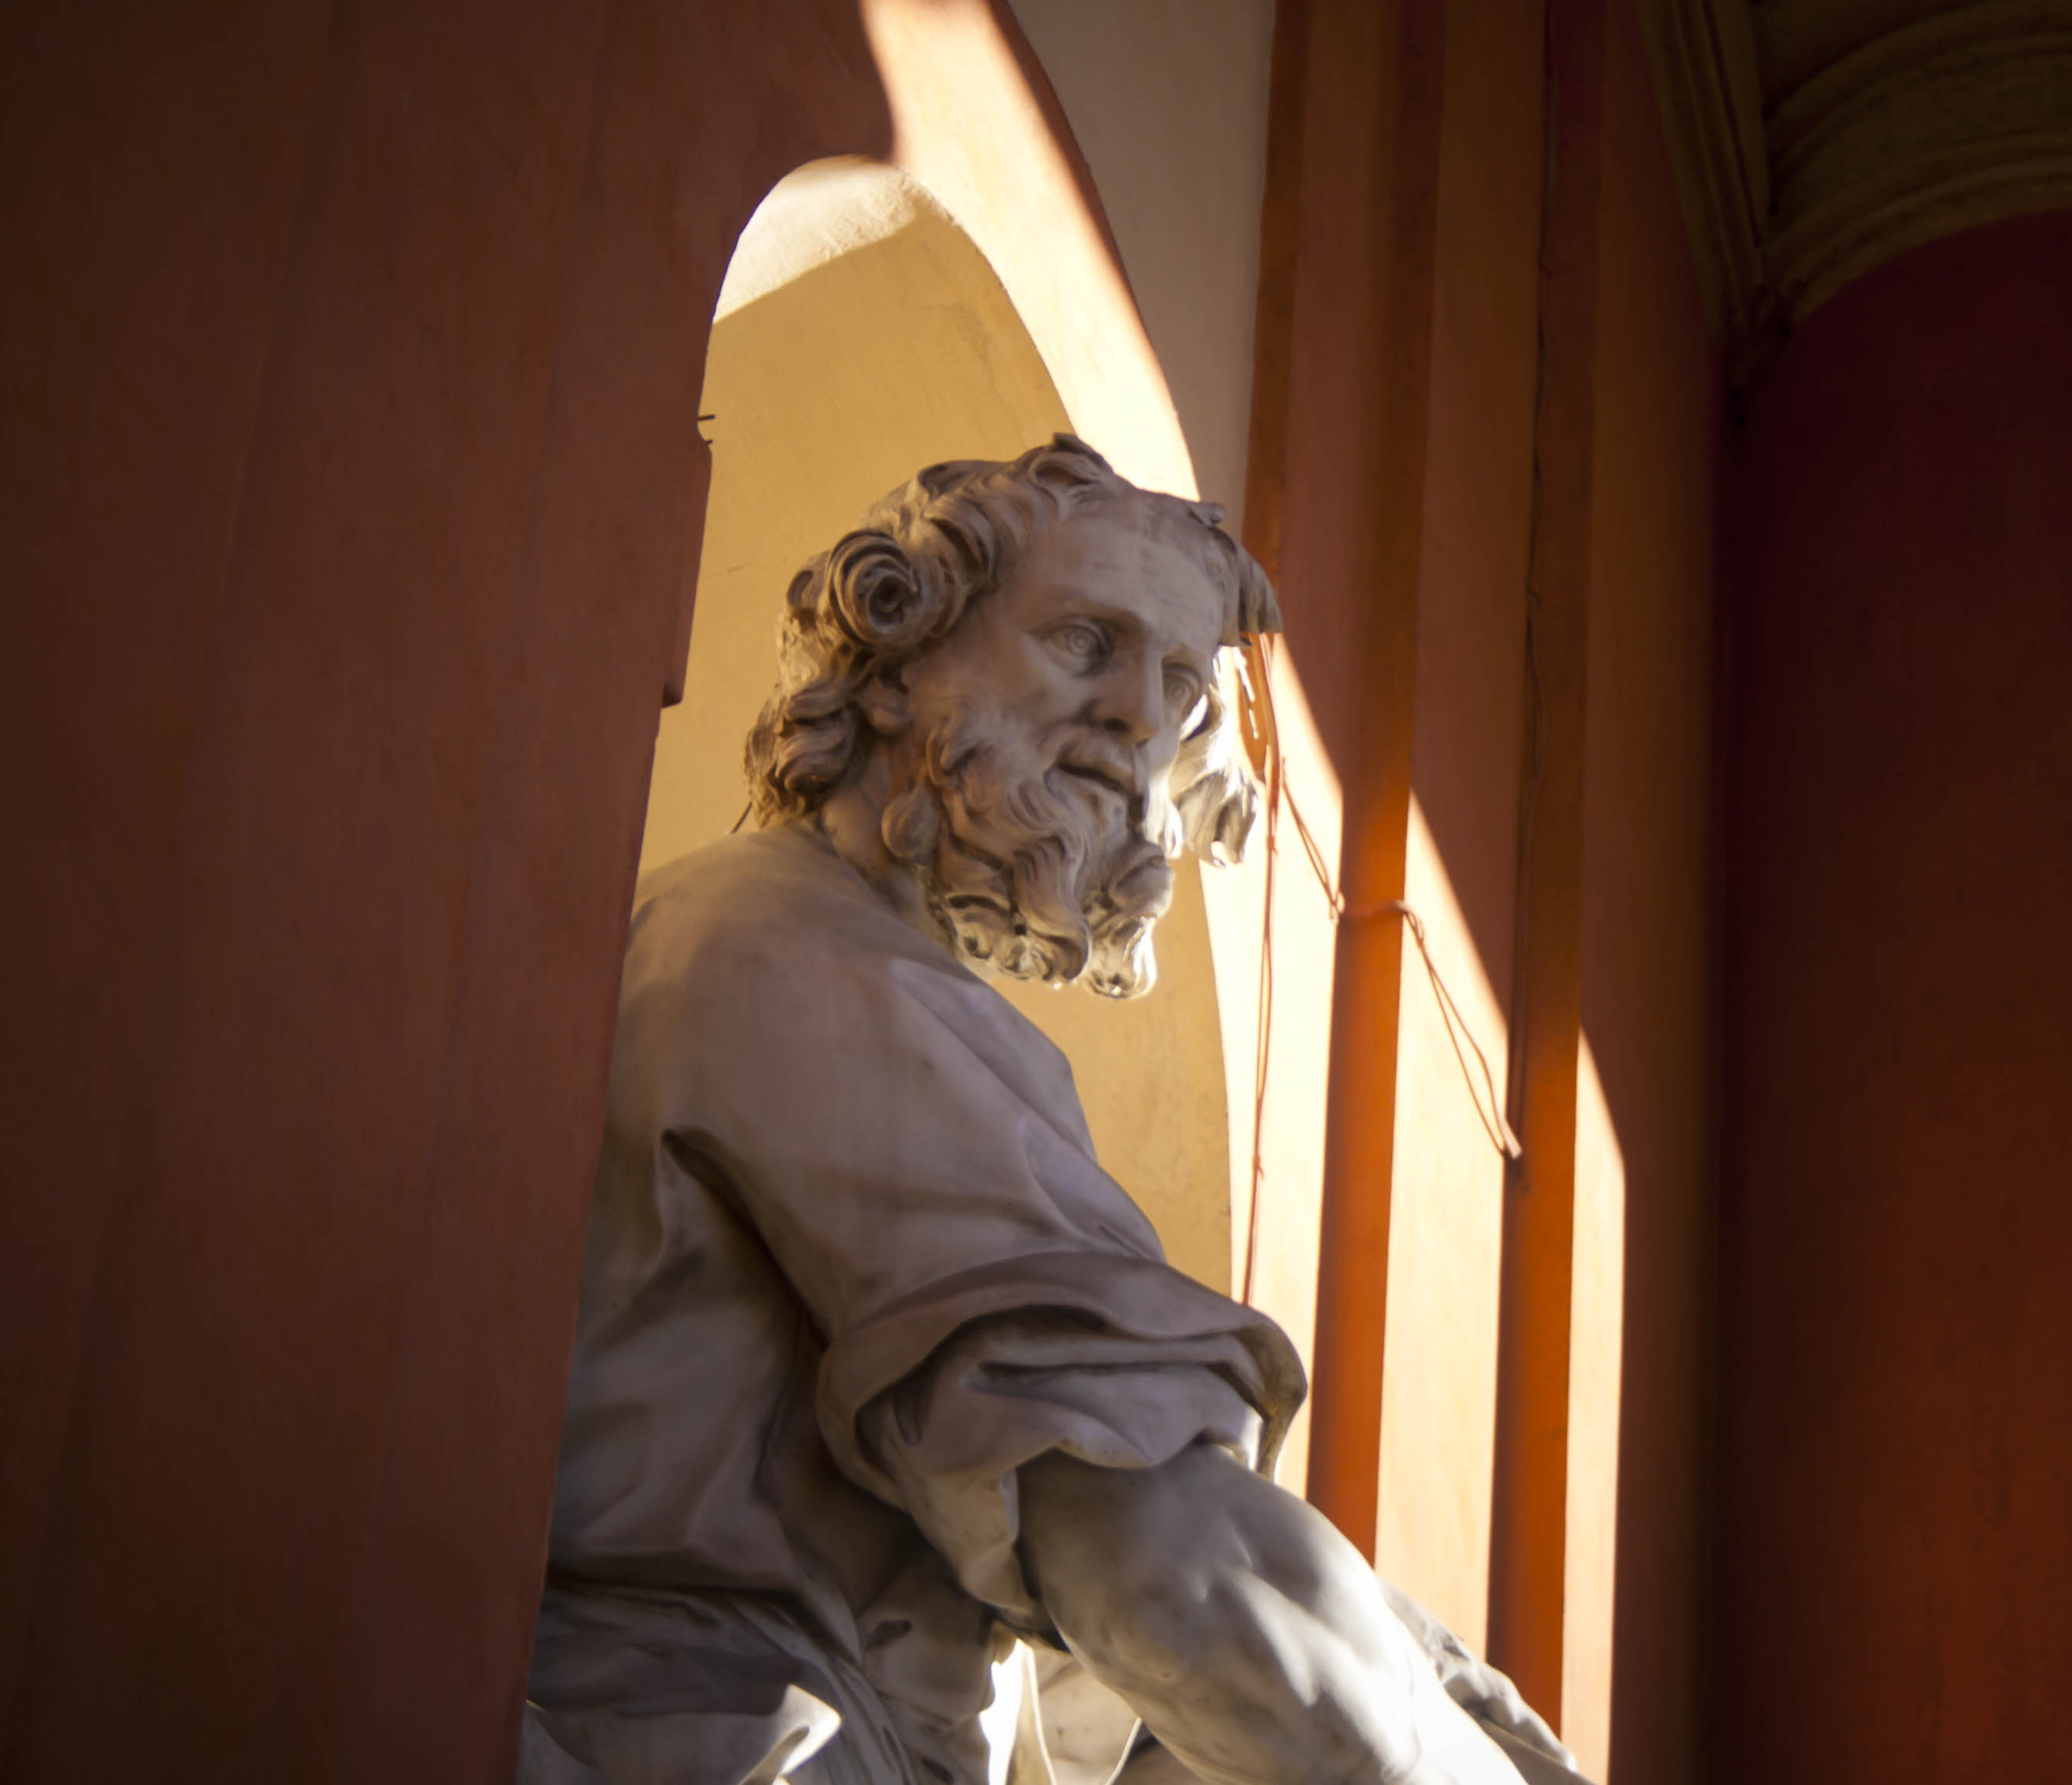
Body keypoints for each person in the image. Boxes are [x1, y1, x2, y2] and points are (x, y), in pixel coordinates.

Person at [525, 438, 1581, 1785]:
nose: (1143, 716)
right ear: (900, 659)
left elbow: (1094, 1587)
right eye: (1088, 641)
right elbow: (1154, 1558)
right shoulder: (791, 956)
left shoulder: (839, 970)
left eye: (1184, 684)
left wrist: (1425, 1671)